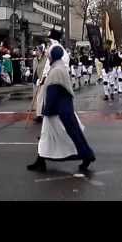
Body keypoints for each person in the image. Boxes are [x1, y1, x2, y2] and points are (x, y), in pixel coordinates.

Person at [26, 44, 96, 173]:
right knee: (48, 137)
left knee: (69, 136)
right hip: (61, 110)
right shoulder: (59, 67)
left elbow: (53, 93)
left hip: (57, 112)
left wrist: (46, 110)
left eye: (49, 54)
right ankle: (40, 161)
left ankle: (87, 155)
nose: (47, 56)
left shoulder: (56, 70)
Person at [32, 45, 47, 123]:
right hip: (37, 80)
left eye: (37, 50)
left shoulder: (45, 59)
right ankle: (39, 114)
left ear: (41, 51)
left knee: (41, 98)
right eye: (36, 50)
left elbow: (45, 70)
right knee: (38, 98)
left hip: (43, 80)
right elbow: (35, 69)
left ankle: (40, 115)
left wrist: (42, 79)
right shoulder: (35, 59)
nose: (36, 52)